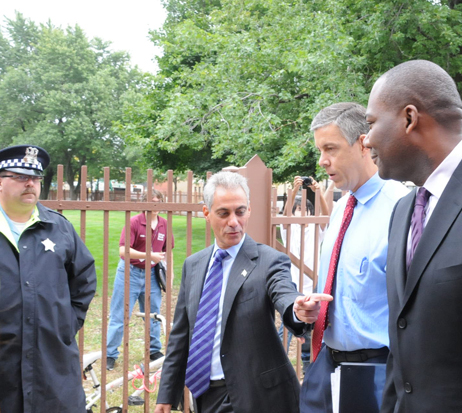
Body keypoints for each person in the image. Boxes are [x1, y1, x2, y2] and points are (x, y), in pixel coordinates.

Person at [363, 59, 462, 412]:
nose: (366, 140)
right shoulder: (404, 211)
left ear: (409, 118)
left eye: (372, 123)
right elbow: (403, 341)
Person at [154, 171, 330, 413]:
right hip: (207, 396)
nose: (234, 221)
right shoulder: (193, 265)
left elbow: (284, 293)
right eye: (224, 213)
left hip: (260, 398)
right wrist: (165, 395)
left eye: (240, 211)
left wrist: (297, 309)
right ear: (206, 213)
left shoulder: (269, 261)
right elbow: (181, 335)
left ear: (249, 210)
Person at [300, 102, 409, 413]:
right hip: (324, 365)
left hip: (377, 372)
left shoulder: (401, 208)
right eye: (320, 150)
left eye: (330, 149)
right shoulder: (341, 207)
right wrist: (311, 308)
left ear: (364, 143)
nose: (322, 161)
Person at [0, 145, 97, 413]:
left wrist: (65, 325)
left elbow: (84, 280)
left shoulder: (59, 227)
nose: (30, 183)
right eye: (20, 176)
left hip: (52, 364)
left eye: (35, 178)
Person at [106, 189, 174, 371]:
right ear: (144, 203)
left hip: (152, 274)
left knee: (153, 314)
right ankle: (110, 354)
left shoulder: (164, 224)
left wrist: (170, 273)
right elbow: (123, 251)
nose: (154, 206)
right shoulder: (134, 222)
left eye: (158, 202)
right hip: (129, 272)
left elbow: (168, 251)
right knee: (120, 314)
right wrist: (149, 255)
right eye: (151, 201)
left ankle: (154, 350)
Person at [279, 176, 330, 372]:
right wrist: (293, 191)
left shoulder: (316, 229)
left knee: (310, 332)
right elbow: (285, 214)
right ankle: (280, 363)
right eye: (297, 209)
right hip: (292, 286)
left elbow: (326, 215)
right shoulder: (289, 229)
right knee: (287, 329)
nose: (301, 212)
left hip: (312, 286)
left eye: (305, 209)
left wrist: (318, 192)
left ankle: (309, 368)